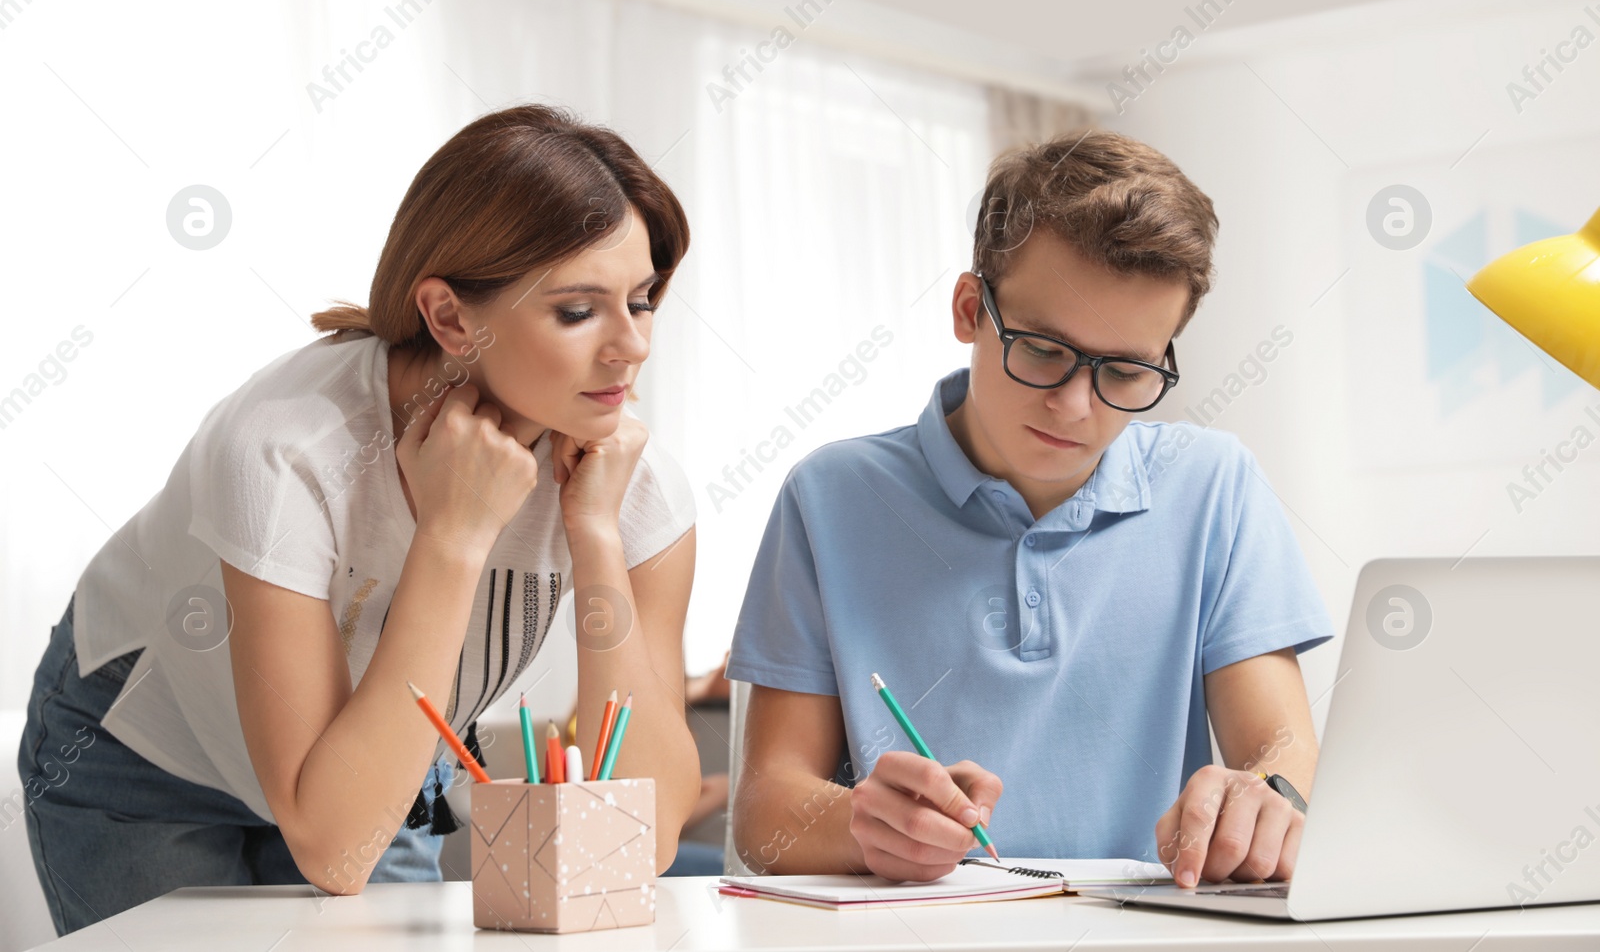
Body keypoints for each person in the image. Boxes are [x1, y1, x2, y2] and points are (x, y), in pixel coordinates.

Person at [19, 104, 702, 935]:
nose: (632, 345)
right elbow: (335, 849)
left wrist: (595, 536)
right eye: (577, 309)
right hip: (150, 753)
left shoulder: (633, 484)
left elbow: (655, 831)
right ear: (451, 317)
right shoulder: (287, 449)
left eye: (642, 299)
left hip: (364, 771)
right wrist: (454, 534)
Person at [727, 128, 1334, 887]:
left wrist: (1265, 796)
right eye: (1044, 349)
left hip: (1146, 934)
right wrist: (861, 821)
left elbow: (1280, 745)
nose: (1076, 406)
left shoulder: (1215, 485)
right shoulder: (830, 497)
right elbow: (764, 811)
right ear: (968, 309)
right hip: (923, 937)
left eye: (1125, 369)